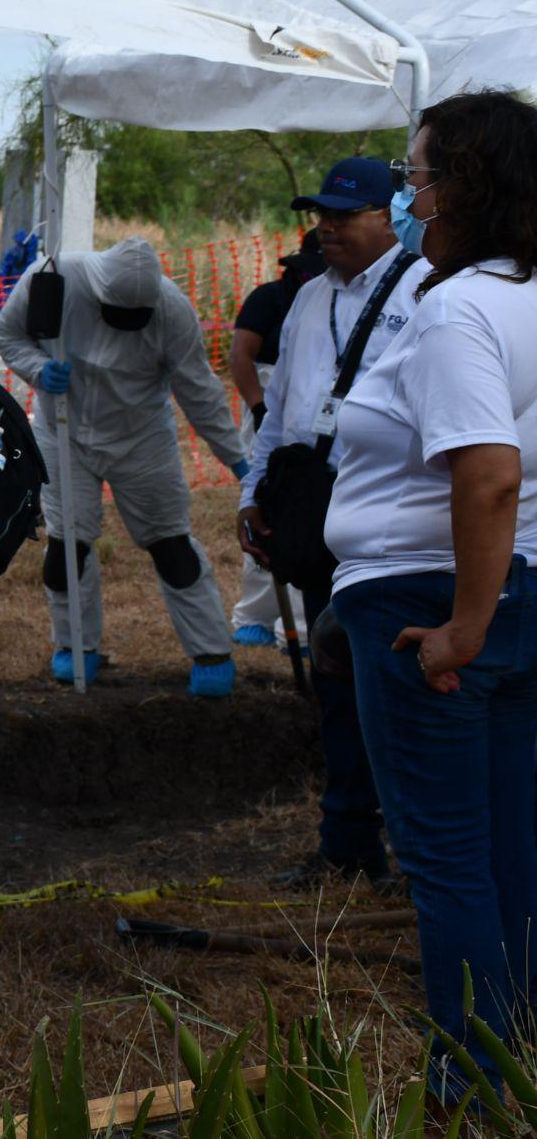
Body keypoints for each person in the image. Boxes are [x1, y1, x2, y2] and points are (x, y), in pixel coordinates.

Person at [325, 90, 537, 1097]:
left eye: (413, 179)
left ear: (462, 187)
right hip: (510, 590)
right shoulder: (521, 293)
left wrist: (460, 626)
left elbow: (486, 475)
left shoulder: (457, 307)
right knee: (506, 842)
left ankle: (469, 1080)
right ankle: (515, 1046)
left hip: (428, 598)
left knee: (445, 855)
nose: (406, 200)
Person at [237, 159, 428, 891]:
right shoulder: (309, 297)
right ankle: (347, 843)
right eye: (323, 213)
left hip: (394, 525)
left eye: (348, 215)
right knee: (339, 684)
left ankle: (417, 855)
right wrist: (256, 494)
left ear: (392, 215)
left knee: (396, 693)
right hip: (321, 521)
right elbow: (281, 408)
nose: (329, 226)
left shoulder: (425, 291)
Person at [0, 236, 247, 695]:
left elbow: (199, 390)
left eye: (136, 318)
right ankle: (75, 647)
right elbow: (8, 335)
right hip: (64, 431)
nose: (126, 324)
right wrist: (37, 368)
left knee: (171, 543)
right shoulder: (53, 279)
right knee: (68, 546)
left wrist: (238, 460)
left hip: (141, 436)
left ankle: (211, 651)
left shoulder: (173, 310)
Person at [225, 231, 321, 647]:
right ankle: (255, 614)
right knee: (265, 505)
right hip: (270, 405)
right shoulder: (269, 298)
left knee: (307, 515)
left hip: (315, 414)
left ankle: (296, 624)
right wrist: (260, 406)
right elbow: (240, 355)